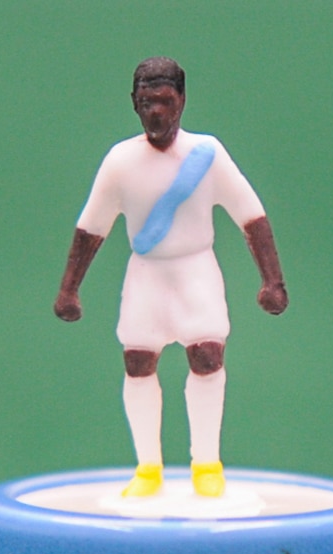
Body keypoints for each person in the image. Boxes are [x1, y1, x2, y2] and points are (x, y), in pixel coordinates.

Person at [54, 57, 288, 498]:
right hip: (146, 276)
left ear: (181, 100)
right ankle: (148, 468)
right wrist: (70, 288)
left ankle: (207, 466)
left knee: (207, 356)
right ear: (134, 103)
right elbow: (91, 227)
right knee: (138, 363)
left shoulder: (207, 155)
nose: (157, 113)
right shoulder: (121, 161)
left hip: (196, 270)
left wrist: (272, 280)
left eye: (164, 101)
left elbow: (250, 214)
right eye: (147, 103)